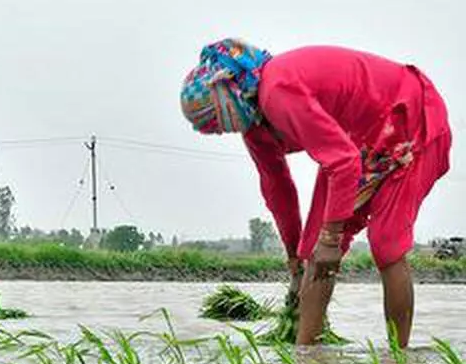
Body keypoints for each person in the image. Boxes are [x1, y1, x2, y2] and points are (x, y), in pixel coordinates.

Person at [181, 40, 452, 347]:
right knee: (313, 250)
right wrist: (295, 259)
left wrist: (331, 237)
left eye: (216, 123)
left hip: (409, 113)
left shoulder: (277, 90)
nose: (222, 131)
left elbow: (343, 162)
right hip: (357, 139)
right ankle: (306, 359)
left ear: (227, 98)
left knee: (386, 243)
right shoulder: (255, 129)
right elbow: (278, 190)